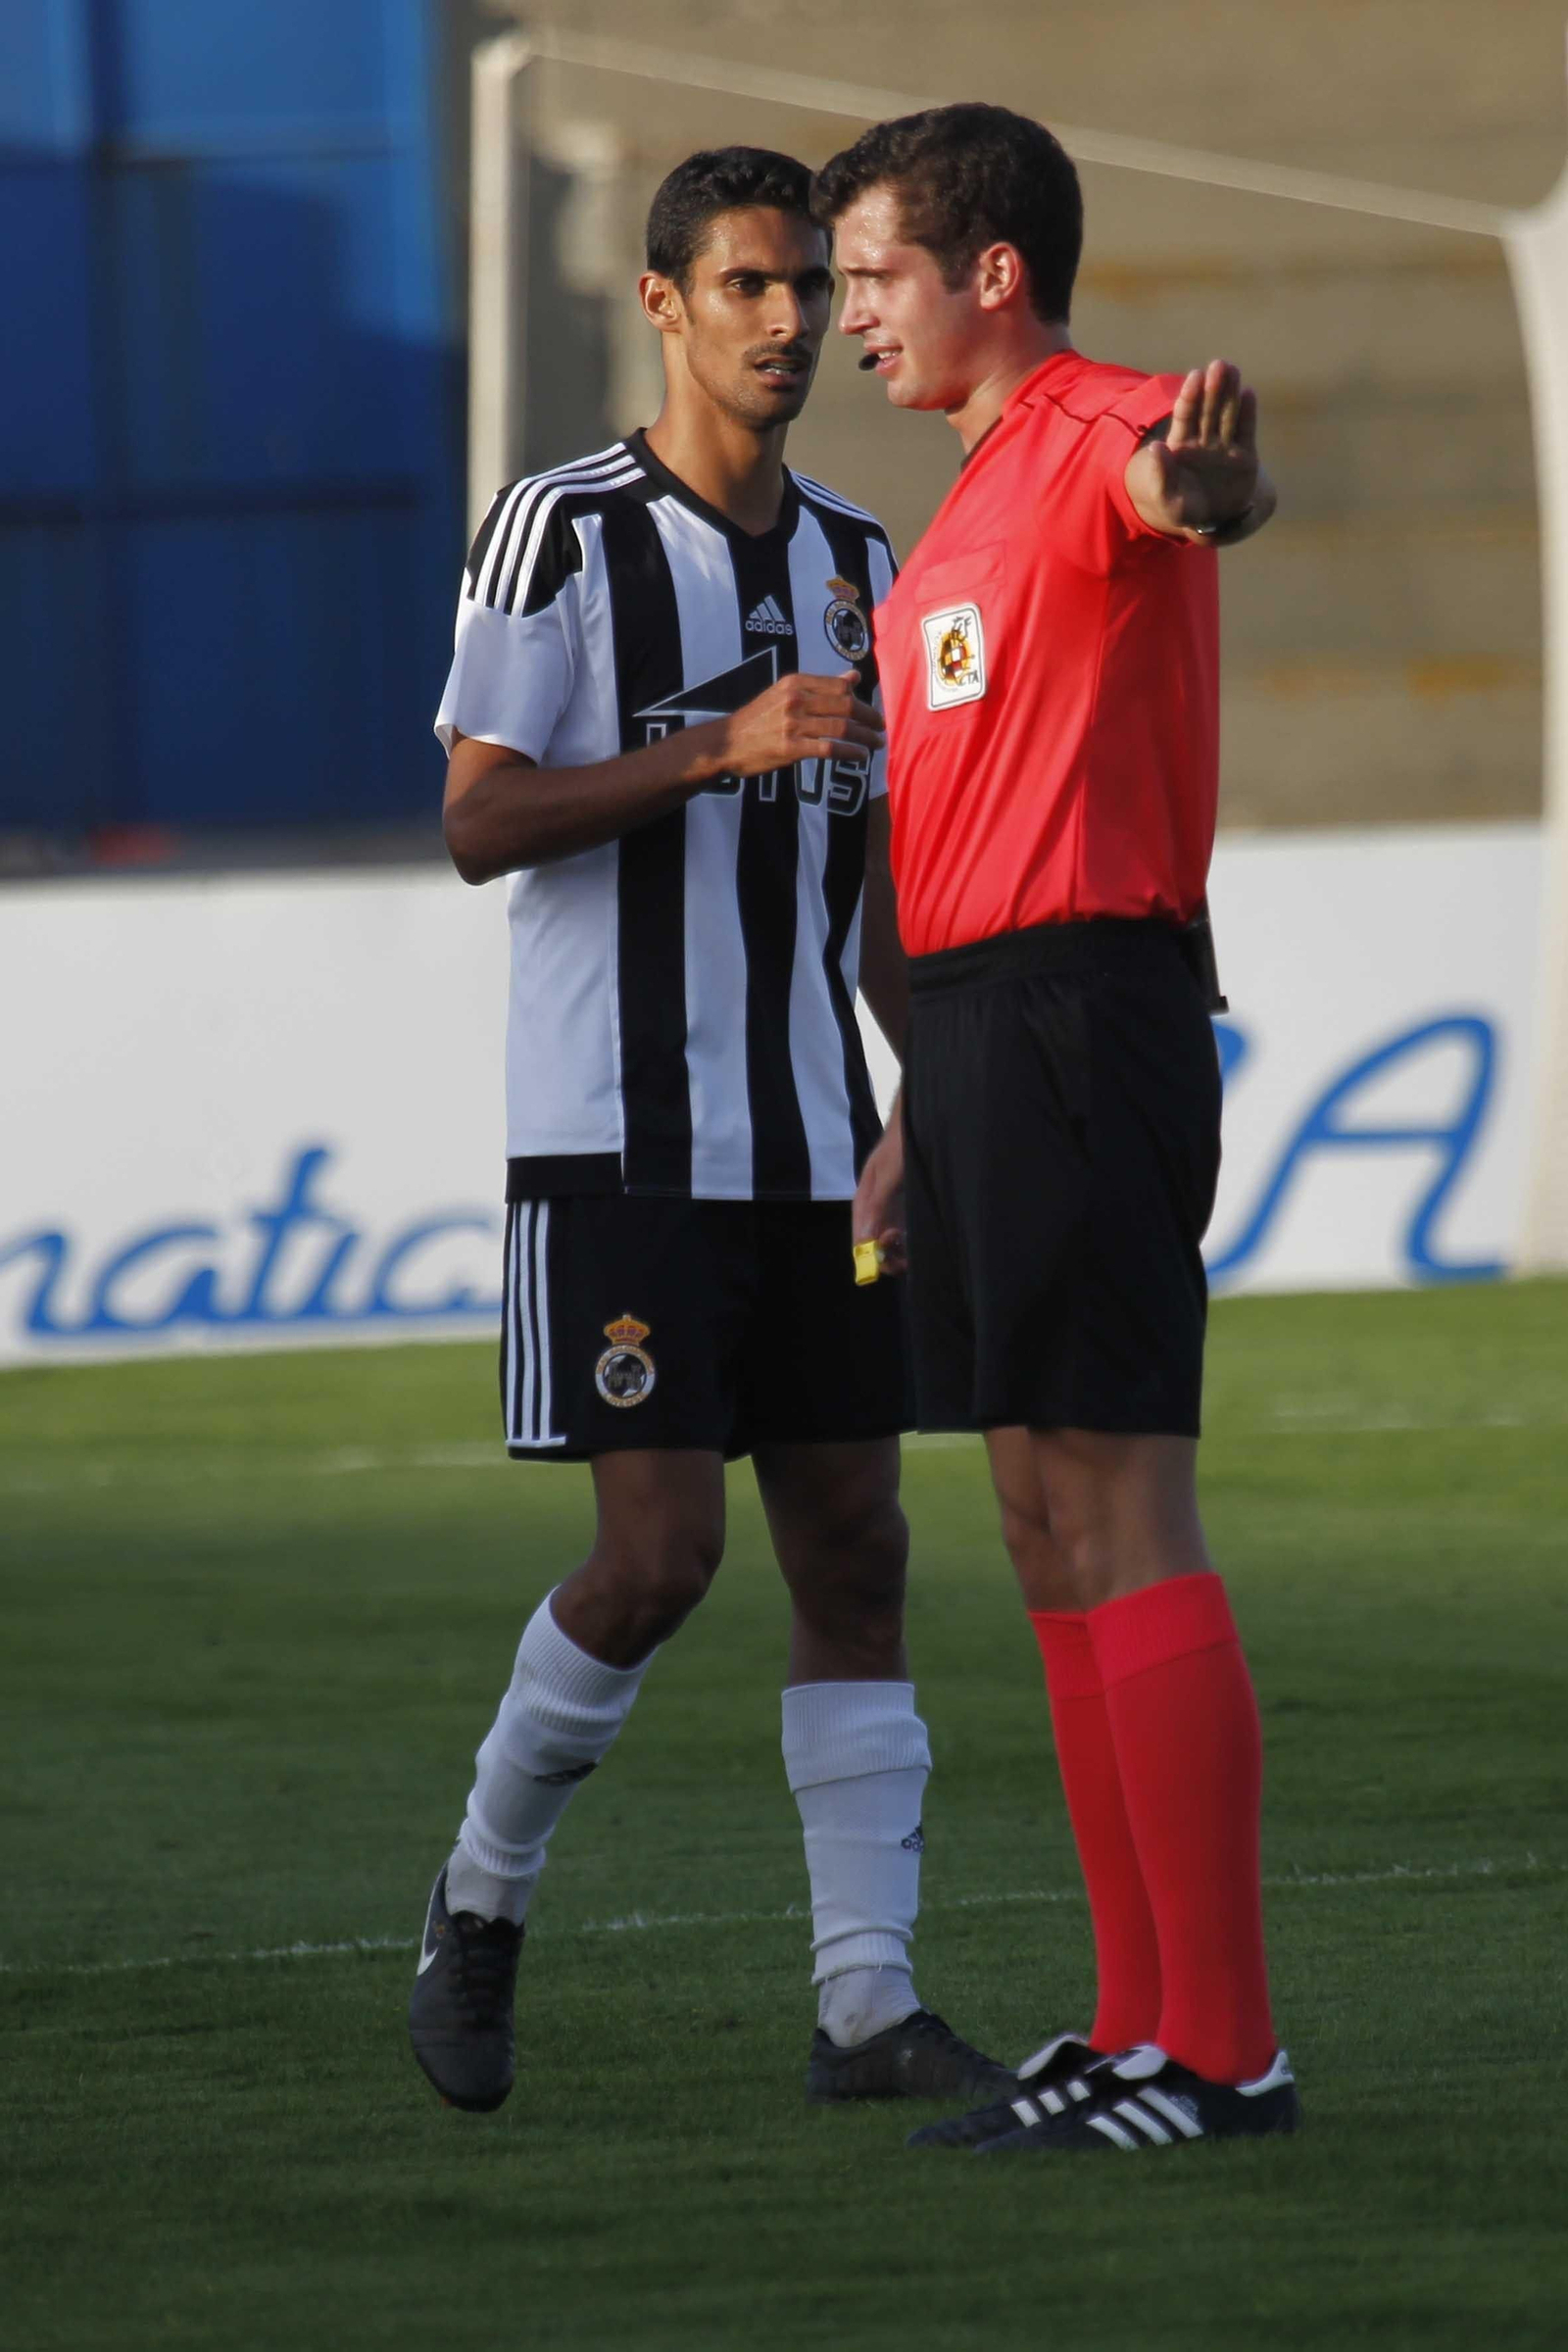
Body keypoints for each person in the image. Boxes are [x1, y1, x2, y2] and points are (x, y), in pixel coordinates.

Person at [408, 145, 1011, 2118]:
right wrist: (711, 747)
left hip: (817, 1148)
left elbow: (879, 887)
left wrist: (923, 1096)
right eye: (747, 285)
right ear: (663, 302)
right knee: (655, 1559)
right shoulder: (561, 532)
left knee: (856, 1548)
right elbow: (478, 820)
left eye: (806, 288)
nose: (788, 322)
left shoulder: (860, 555)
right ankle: (479, 1897)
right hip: (622, 1149)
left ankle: (865, 2006)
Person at [812, 104, 1300, 2154]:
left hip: (1089, 1014)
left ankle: (1225, 2052)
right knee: (1031, 1510)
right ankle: (1126, 2025)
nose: (849, 315)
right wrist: (912, 1105)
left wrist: (1211, 489)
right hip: (975, 1047)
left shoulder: (1095, 429)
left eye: (872, 274)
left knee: (1118, 1499)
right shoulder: (953, 506)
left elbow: (1183, 487)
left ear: (990, 271)